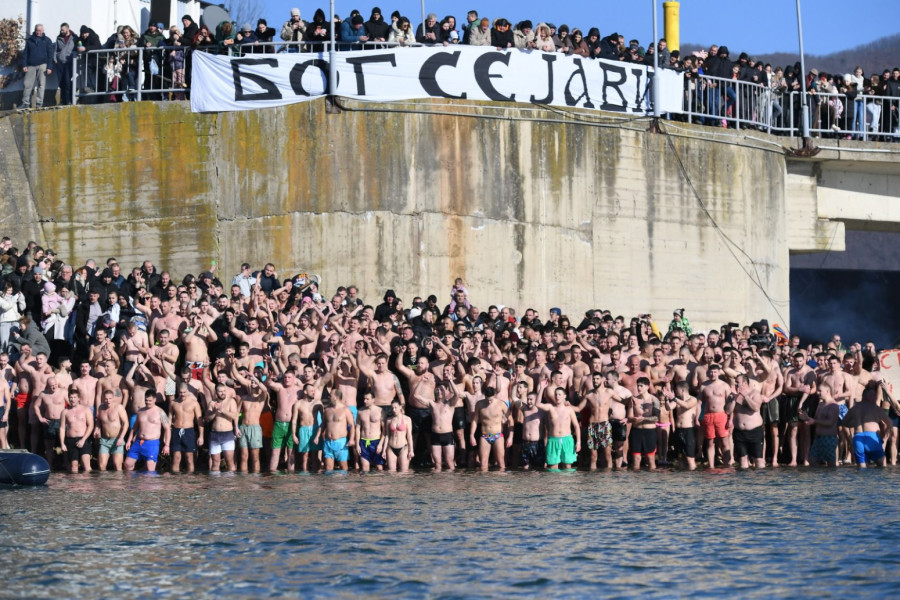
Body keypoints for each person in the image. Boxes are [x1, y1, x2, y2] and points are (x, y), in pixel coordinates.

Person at [841, 386, 892, 469]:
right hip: (872, 437)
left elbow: (844, 422)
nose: (875, 398)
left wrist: (855, 424)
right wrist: (885, 436)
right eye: (874, 396)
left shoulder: (854, 408)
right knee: (882, 465)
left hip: (857, 438)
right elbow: (889, 422)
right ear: (867, 397)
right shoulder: (875, 408)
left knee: (862, 468)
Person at [535, 383, 580, 471]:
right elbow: (537, 404)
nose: (557, 396)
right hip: (553, 440)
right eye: (555, 394)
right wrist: (542, 388)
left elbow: (576, 426)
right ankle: (555, 484)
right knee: (553, 467)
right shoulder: (550, 407)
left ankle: (567, 485)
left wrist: (578, 442)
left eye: (559, 394)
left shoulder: (569, 409)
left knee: (567, 467)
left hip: (567, 440)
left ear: (564, 396)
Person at [124, 390, 171, 472]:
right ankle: (132, 484)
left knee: (150, 469)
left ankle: (148, 483)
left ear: (155, 400)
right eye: (146, 400)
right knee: (127, 464)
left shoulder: (160, 412)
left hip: (152, 443)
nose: (148, 402)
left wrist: (167, 445)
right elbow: (135, 428)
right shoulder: (140, 411)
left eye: (150, 400)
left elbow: (167, 429)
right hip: (139, 442)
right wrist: (128, 441)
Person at [699, 364, 732, 468]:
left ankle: (727, 465)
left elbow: (731, 403)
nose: (713, 374)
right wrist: (698, 418)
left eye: (715, 372)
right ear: (708, 372)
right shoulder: (704, 386)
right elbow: (699, 403)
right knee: (710, 442)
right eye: (711, 372)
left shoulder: (724, 385)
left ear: (719, 372)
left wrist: (731, 419)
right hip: (708, 416)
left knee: (724, 442)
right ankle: (711, 466)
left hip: (721, 415)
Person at [314, 389, 355, 472]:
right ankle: (330, 484)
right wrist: (317, 436)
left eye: (331, 395)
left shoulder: (345, 410)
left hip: (341, 442)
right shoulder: (327, 410)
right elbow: (323, 425)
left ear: (336, 397)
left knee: (343, 467)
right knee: (328, 468)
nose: (329, 397)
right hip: (328, 442)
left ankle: (343, 484)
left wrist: (351, 439)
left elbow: (351, 425)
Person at [730, 374, 765, 469]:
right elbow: (727, 411)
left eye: (738, 382)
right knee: (742, 459)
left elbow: (756, 408)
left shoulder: (755, 393)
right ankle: (744, 483)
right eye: (735, 382)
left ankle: (760, 481)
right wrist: (734, 398)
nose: (736, 384)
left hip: (755, 431)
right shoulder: (733, 395)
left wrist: (746, 396)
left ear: (745, 383)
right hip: (739, 432)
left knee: (758, 459)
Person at [168, 382, 204, 473]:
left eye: (184, 392)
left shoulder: (194, 403)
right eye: (180, 392)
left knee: (189, 458)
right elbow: (169, 420)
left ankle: (189, 482)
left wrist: (201, 436)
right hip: (176, 430)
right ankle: (176, 482)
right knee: (176, 458)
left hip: (189, 431)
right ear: (178, 392)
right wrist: (167, 436)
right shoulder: (173, 403)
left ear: (187, 391)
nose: (182, 394)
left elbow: (199, 420)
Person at [205, 382, 240, 472]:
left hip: (227, 434)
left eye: (224, 391)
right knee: (215, 463)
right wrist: (214, 411)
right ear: (216, 392)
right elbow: (207, 418)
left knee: (230, 462)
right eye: (220, 391)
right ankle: (216, 485)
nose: (223, 393)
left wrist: (222, 410)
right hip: (215, 435)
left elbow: (234, 416)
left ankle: (230, 485)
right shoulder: (212, 403)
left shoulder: (231, 401)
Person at [801, 386, 840, 467]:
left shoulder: (833, 406)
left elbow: (830, 422)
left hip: (829, 438)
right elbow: (817, 420)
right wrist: (807, 418)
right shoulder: (820, 404)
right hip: (818, 438)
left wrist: (814, 421)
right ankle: (819, 479)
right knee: (812, 461)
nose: (817, 393)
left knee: (831, 464)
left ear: (827, 391)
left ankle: (830, 479)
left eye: (820, 391)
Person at [627, 378, 660, 471]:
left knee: (650, 459)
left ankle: (651, 483)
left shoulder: (654, 400)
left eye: (641, 385)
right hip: (636, 431)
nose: (638, 387)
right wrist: (633, 419)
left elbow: (657, 417)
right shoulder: (633, 399)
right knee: (636, 459)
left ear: (647, 386)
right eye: (638, 385)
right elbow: (629, 417)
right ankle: (637, 483)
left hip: (649, 431)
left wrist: (643, 418)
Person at [20, 24, 54, 111]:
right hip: (31, 65)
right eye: (37, 30)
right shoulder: (30, 40)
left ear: (43, 30)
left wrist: (49, 67)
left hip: (43, 65)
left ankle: (39, 104)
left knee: (41, 85)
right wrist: (24, 65)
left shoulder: (47, 40)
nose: (38, 32)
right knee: (27, 84)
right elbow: (25, 53)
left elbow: (50, 55)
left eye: (40, 30)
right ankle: (25, 103)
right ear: (35, 30)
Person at [59, 386, 93, 473]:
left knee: (86, 464)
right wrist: (62, 443)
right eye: (71, 397)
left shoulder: (85, 409)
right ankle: (75, 486)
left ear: (78, 398)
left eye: (74, 397)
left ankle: (87, 486)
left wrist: (83, 439)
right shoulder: (65, 412)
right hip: (70, 440)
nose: (72, 399)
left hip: (83, 439)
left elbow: (91, 425)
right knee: (74, 466)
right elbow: (62, 428)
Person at [94, 388, 128, 471]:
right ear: (103, 398)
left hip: (117, 439)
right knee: (102, 466)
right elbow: (99, 421)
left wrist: (121, 437)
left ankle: (118, 484)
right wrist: (96, 429)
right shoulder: (101, 408)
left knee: (117, 466)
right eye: (106, 399)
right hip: (105, 440)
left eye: (110, 398)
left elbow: (126, 423)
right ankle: (105, 483)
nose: (108, 401)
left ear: (113, 398)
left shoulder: (119, 407)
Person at [356, 390, 385, 471]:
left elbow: (384, 430)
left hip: (376, 441)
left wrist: (380, 444)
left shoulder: (380, 411)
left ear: (373, 399)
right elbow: (357, 428)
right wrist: (357, 444)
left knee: (379, 467)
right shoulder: (360, 411)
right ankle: (366, 484)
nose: (365, 401)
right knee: (365, 467)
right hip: (363, 442)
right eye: (364, 399)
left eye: (367, 399)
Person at [384, 398, 413, 472]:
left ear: (400, 407)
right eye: (392, 408)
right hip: (391, 447)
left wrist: (411, 450)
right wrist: (384, 450)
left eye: (395, 407)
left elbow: (409, 436)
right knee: (391, 472)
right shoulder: (389, 420)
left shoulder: (407, 419)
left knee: (404, 472)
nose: (393, 410)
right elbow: (387, 436)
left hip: (403, 447)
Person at [55, 23, 76, 106]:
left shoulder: (74, 38)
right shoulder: (59, 38)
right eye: (61, 29)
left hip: (69, 63)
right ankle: (63, 100)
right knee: (61, 82)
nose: (61, 31)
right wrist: (55, 59)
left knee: (68, 82)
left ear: (68, 29)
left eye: (63, 30)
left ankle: (68, 101)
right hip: (60, 62)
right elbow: (56, 49)